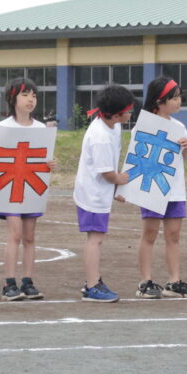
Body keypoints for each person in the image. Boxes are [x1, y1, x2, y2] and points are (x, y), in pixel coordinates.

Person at [0, 77, 56, 301]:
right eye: (25, 95)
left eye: (34, 95)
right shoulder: (2, 127)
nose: (30, 99)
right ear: (12, 98)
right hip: (10, 187)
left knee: (29, 236)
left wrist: (51, 164)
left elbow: (44, 159)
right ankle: (9, 283)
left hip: (31, 188)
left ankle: (28, 281)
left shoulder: (41, 128)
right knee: (14, 234)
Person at [134, 77, 187, 299]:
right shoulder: (144, 124)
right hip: (153, 186)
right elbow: (138, 156)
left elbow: (184, 160)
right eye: (174, 98)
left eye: (179, 97)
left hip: (175, 189)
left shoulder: (179, 126)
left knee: (174, 235)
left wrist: (186, 148)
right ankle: (145, 281)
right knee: (149, 234)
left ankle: (174, 281)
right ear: (159, 101)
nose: (179, 101)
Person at [74, 84, 135, 302]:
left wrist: (116, 190)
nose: (131, 113)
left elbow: (111, 165)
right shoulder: (100, 135)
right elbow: (107, 173)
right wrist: (120, 180)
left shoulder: (113, 126)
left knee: (97, 237)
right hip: (92, 195)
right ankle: (91, 285)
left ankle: (93, 281)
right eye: (128, 110)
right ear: (116, 114)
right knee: (95, 239)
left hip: (100, 192)